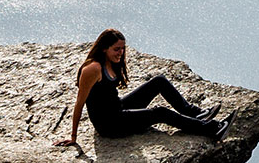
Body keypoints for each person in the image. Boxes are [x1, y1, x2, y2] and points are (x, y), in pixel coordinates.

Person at [54, 29, 230, 146]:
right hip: (110, 125)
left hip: (118, 109)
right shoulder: (92, 69)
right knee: (160, 112)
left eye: (122, 49)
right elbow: (79, 103)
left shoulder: (111, 62)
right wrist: (73, 137)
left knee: (159, 81)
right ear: (104, 49)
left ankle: (195, 113)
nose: (120, 53)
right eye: (116, 49)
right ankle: (213, 128)